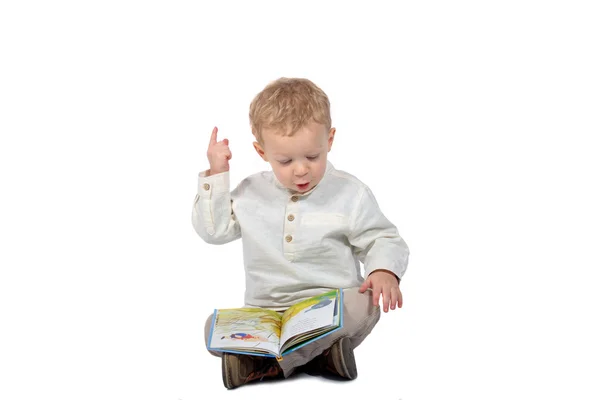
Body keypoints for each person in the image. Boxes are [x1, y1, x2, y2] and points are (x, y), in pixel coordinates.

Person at [192, 77, 409, 389]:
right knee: (213, 328)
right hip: (267, 313)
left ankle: (270, 365)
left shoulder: (349, 192)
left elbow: (381, 238)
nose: (301, 169)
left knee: (366, 302)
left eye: (312, 156)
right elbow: (214, 231)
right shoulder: (250, 192)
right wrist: (217, 173)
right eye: (285, 160)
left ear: (329, 140)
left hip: (330, 308)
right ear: (261, 151)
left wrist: (384, 270)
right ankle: (322, 358)